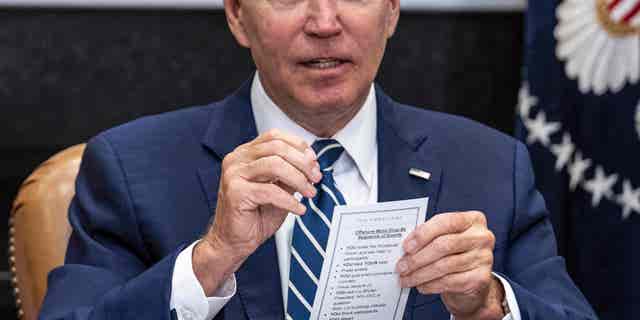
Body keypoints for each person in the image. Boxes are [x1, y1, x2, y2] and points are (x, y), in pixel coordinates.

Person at [40, 0, 596, 319]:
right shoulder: (131, 168)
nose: (324, 22)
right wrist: (209, 262)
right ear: (237, 14)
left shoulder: (493, 166)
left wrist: (489, 303)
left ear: (392, 11)